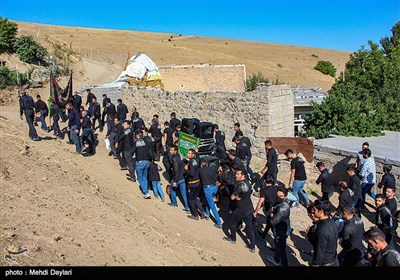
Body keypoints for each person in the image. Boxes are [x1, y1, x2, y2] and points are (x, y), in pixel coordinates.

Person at [223, 168, 256, 253]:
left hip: (241, 208)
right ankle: (252, 246)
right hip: (248, 207)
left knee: (232, 222)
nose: (236, 176)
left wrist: (235, 196)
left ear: (243, 175)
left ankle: (233, 238)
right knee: (250, 227)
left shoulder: (240, 185)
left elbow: (232, 197)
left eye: (238, 174)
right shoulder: (248, 183)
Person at [266, 186, 291, 266]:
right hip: (279, 228)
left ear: (285, 197)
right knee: (278, 244)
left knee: (282, 249)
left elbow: (273, 221)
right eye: (277, 196)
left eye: (281, 196)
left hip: (281, 230)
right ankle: (276, 252)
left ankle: (278, 260)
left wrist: (271, 214)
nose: (278, 198)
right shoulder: (280, 203)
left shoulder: (282, 207)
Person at [311, 199, 339, 266]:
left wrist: (315, 264)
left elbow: (320, 250)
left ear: (320, 211)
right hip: (333, 259)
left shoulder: (322, 229)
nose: (313, 212)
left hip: (325, 262)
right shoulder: (333, 223)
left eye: (314, 210)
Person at [199, 158, 223, 228]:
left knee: (212, 205)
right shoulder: (211, 169)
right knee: (208, 201)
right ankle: (207, 214)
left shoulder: (200, 170)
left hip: (208, 189)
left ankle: (219, 222)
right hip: (214, 187)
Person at [184, 149, 205, 220]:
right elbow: (198, 158)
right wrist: (196, 152)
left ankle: (195, 214)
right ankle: (202, 211)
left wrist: (186, 169)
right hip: (198, 182)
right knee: (195, 198)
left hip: (192, 183)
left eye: (189, 153)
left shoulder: (191, 162)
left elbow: (192, 174)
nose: (187, 154)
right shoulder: (197, 160)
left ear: (192, 154)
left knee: (191, 200)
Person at [131, 129, 152, 199]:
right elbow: (150, 152)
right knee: (144, 177)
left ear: (137, 135)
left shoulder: (136, 142)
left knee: (140, 178)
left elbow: (132, 151)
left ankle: (146, 192)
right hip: (147, 162)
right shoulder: (147, 141)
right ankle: (145, 191)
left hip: (139, 162)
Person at [168, 145, 189, 210]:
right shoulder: (180, 155)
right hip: (182, 177)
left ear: (175, 151)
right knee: (184, 193)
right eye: (170, 150)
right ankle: (187, 207)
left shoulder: (174, 159)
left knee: (172, 189)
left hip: (177, 178)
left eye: (172, 150)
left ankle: (174, 203)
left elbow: (176, 170)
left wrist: (175, 181)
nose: (170, 151)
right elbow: (186, 162)